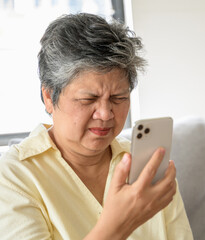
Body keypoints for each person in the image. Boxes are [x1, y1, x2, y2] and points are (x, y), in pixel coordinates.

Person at [0, 13, 193, 240]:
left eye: (119, 97)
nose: (105, 114)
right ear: (49, 96)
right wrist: (117, 226)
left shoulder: (147, 166)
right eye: (88, 99)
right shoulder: (13, 177)